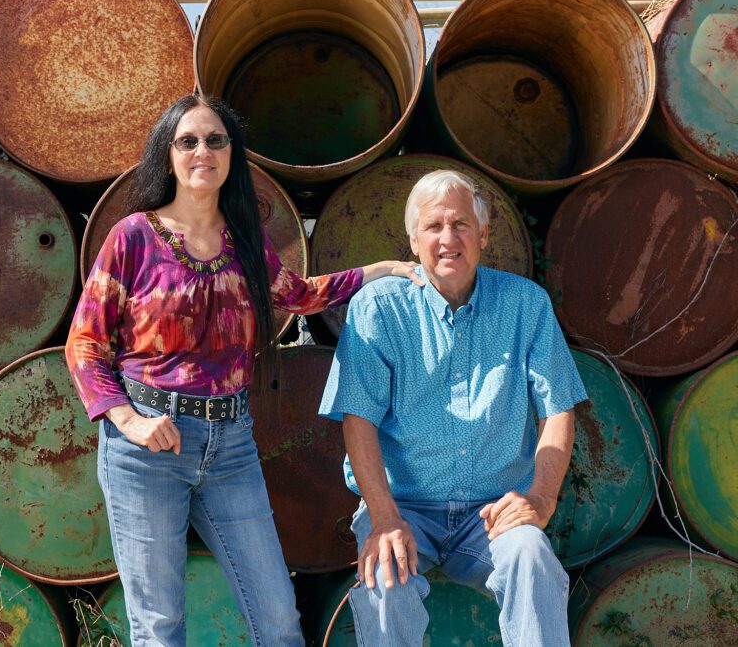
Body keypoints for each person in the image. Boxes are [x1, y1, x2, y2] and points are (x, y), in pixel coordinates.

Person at [64, 93, 423, 647]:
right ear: (168, 156)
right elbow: (86, 341)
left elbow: (301, 295)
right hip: (146, 449)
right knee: (159, 626)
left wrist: (383, 269)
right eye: (188, 141)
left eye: (215, 139)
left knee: (278, 618)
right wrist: (127, 420)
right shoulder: (133, 236)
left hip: (230, 446)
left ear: (232, 153)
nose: (202, 150)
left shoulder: (245, 241)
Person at [319, 170, 587, 646]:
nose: (449, 239)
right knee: (384, 577)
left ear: (483, 235)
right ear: (413, 239)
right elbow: (358, 420)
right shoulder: (378, 307)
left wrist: (541, 498)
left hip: (492, 512)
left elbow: (557, 408)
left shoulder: (526, 304)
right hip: (402, 506)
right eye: (434, 227)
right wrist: (383, 519)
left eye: (461, 224)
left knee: (532, 557)